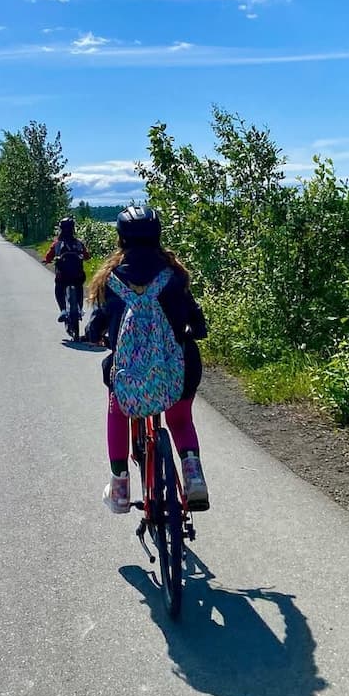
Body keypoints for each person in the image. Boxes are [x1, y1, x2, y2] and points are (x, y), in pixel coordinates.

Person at [83, 205, 209, 515]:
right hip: (177, 369)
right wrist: (197, 329)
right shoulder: (175, 274)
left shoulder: (111, 279)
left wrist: (93, 333)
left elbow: (97, 323)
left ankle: (120, 486)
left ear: (121, 238)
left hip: (130, 374)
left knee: (118, 411)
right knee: (179, 420)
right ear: (158, 235)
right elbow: (196, 318)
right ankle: (193, 478)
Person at [43, 217, 91, 322]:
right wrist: (85, 257)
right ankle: (79, 308)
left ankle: (63, 310)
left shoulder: (57, 243)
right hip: (78, 275)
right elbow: (87, 255)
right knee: (79, 288)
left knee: (59, 289)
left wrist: (46, 260)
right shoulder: (78, 243)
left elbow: (49, 255)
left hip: (62, 276)